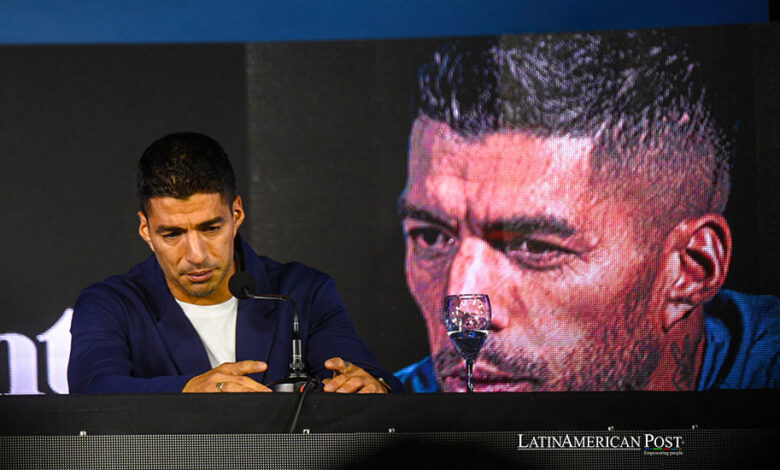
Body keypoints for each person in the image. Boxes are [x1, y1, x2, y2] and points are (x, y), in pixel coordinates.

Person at [395, 32, 780, 392]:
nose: (461, 316)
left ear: (689, 271)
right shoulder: (388, 408)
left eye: (533, 246)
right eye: (432, 237)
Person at [68, 132, 400, 393]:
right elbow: (92, 389)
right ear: (145, 229)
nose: (196, 254)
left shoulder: (304, 292)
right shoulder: (110, 304)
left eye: (210, 228)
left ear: (236, 213)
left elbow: (367, 378)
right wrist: (189, 389)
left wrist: (374, 387)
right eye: (172, 234)